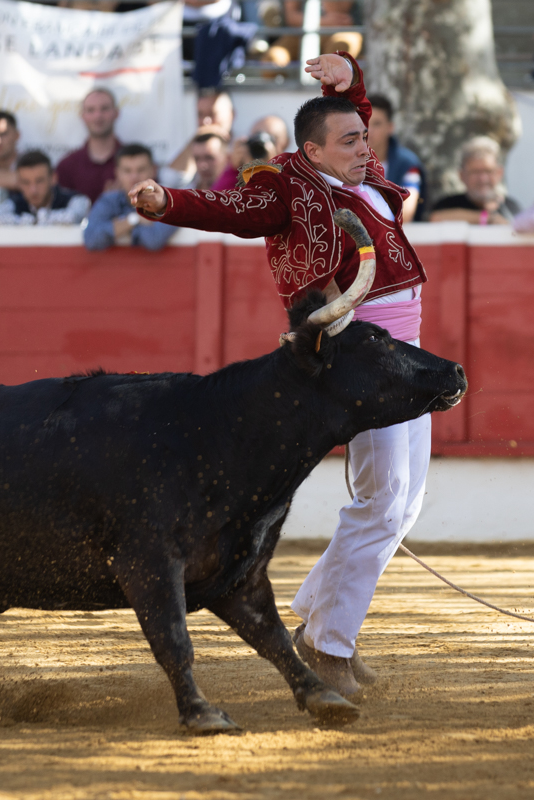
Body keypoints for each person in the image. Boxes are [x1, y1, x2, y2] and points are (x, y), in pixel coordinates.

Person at [130, 51, 431, 700]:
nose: (365, 143)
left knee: (402, 506)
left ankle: (321, 619)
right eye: (350, 139)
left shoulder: (361, 175)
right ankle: (328, 647)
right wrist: (167, 202)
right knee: (381, 501)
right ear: (314, 151)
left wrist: (348, 80)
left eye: (364, 135)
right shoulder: (291, 187)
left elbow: (355, 115)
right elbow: (233, 210)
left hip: (402, 353)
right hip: (362, 356)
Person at [84, 144, 178, 252]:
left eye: (141, 170)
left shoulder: (169, 200)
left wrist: (119, 225)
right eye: (127, 171)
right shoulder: (109, 200)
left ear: (153, 171)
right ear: (117, 173)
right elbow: (91, 239)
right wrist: (134, 219)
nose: (134, 177)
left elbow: (153, 240)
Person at [430, 137, 520, 224]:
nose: (483, 179)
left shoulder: (510, 208)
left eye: (488, 171)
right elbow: (436, 218)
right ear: (461, 175)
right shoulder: (448, 205)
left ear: (499, 173)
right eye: (475, 172)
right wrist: (488, 218)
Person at [0, 150, 91, 225]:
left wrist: (35, 220)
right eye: (26, 182)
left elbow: (74, 217)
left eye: (39, 181)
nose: (33, 190)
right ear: (19, 183)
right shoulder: (14, 202)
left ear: (53, 178)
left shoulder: (74, 199)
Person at [367, 94, 426, 222]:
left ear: (390, 127)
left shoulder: (408, 164)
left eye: (376, 124)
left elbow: (406, 213)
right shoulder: (344, 162)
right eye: (364, 122)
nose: (369, 130)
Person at [56, 89, 121, 203]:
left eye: (104, 109)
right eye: (91, 110)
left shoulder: (138, 164)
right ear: (83, 116)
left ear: (116, 113)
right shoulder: (66, 166)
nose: (98, 116)